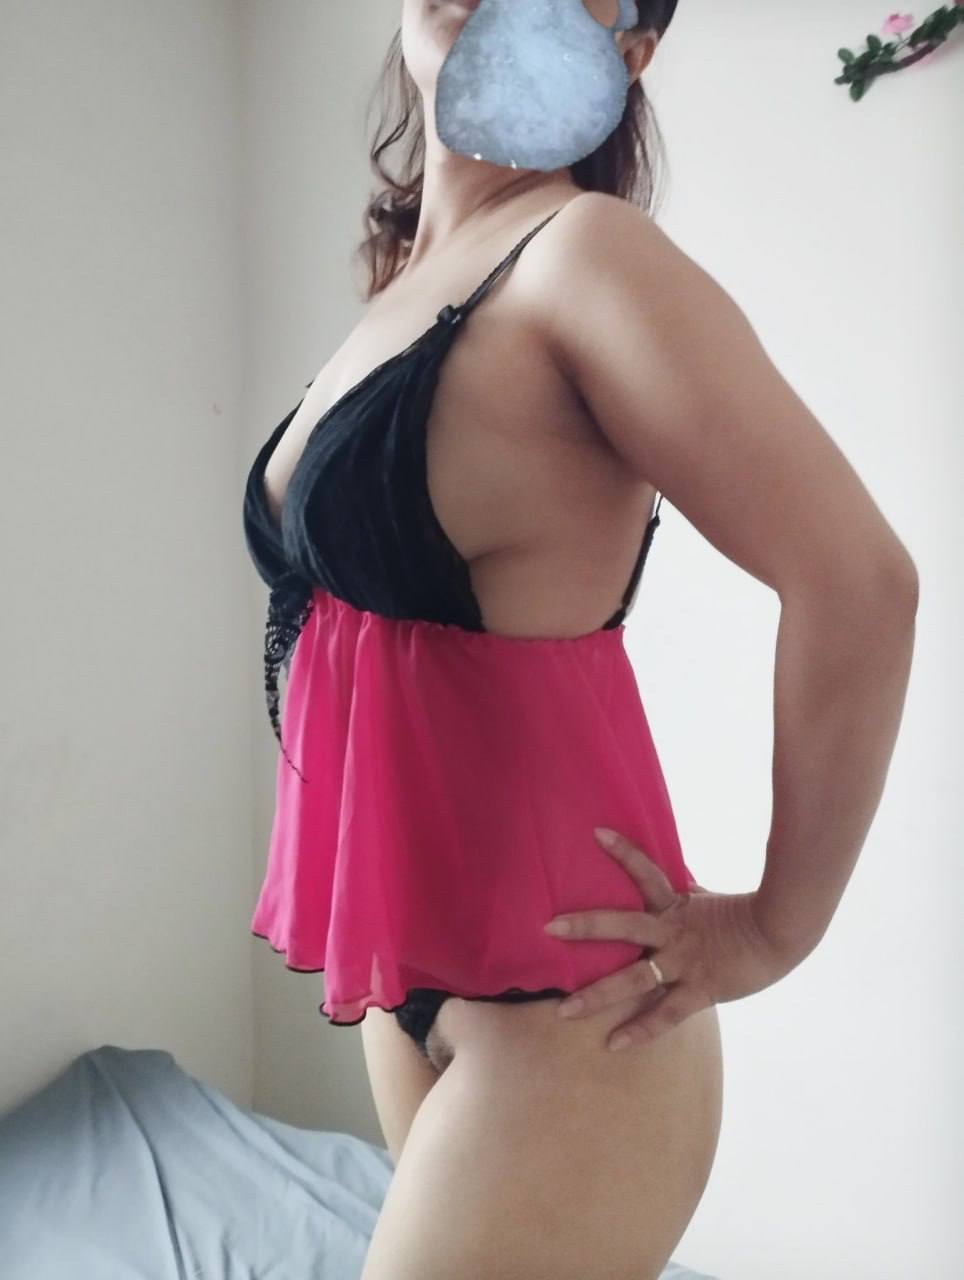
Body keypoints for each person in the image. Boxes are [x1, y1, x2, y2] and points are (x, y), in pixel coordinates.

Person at [241, 3, 919, 1276]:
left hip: (573, 1019)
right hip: (408, 972)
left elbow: (860, 584)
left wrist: (773, 927)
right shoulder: (408, 282)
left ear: (626, 53)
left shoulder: (582, 255)